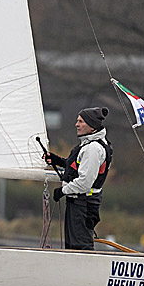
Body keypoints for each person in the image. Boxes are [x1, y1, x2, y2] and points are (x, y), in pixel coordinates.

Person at [43, 106, 113, 250]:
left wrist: (63, 191)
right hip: (81, 203)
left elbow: (85, 182)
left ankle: (84, 272)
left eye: (81, 121)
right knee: (75, 247)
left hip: (83, 204)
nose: (77, 124)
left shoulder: (93, 149)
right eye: (77, 121)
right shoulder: (90, 145)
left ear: (92, 126)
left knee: (80, 247)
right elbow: (77, 169)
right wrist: (57, 160)